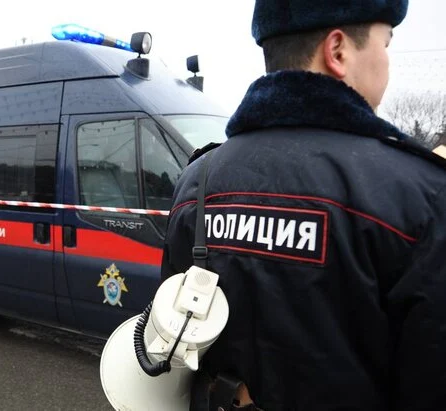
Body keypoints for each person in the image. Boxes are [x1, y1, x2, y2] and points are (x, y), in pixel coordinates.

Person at [161, 1, 446, 410]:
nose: (387, 63)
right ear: (338, 51)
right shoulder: (421, 194)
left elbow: (172, 345)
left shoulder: (198, 179)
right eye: (385, 44)